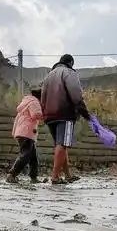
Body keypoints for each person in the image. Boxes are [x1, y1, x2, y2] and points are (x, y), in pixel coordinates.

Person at [40, 54, 91, 184]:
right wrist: (85, 112)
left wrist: (44, 113)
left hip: (49, 115)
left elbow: (42, 97)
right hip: (65, 113)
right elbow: (76, 95)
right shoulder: (69, 72)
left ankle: (68, 175)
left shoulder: (48, 76)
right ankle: (55, 177)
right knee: (62, 145)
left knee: (61, 145)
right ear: (71, 62)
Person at [6, 88, 43, 183]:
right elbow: (36, 114)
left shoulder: (26, 102)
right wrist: (46, 115)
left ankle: (33, 177)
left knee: (33, 157)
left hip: (23, 132)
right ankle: (12, 174)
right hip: (27, 133)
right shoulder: (34, 102)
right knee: (25, 155)